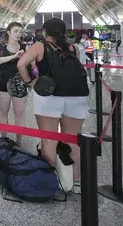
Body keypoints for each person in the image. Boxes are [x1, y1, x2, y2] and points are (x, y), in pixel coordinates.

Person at [17, 18, 89, 194]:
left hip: (49, 96)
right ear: (64, 32)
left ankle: (49, 181)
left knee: (49, 140)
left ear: (44, 32)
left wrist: (30, 81)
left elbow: (21, 64)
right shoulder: (74, 48)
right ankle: (76, 182)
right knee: (73, 141)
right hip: (76, 96)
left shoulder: (40, 45)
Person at [0, 22, 27, 144]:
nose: (18, 34)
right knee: (3, 111)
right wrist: (14, 56)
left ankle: (19, 141)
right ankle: (3, 139)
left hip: (19, 83)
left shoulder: (23, 46)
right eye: (16, 31)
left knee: (19, 113)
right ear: (8, 32)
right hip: (2, 83)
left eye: (20, 32)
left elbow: (30, 64)